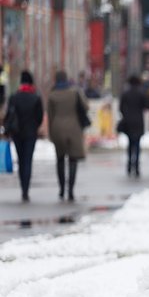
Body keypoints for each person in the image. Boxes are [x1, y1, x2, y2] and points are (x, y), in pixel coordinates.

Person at [47, 70, 88, 202]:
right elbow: (86, 107)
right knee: (73, 159)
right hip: (74, 129)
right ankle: (70, 190)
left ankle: (61, 189)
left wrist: (50, 132)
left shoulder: (52, 95)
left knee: (60, 159)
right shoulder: (74, 93)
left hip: (57, 128)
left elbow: (50, 115)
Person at [3, 70, 44, 201]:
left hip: (17, 134)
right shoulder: (35, 98)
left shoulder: (14, 97)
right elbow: (39, 117)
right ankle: (26, 189)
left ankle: (23, 187)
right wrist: (34, 127)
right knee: (28, 160)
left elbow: (8, 116)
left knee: (21, 160)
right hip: (30, 134)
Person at [118, 75, 147, 177]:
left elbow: (120, 107)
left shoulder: (125, 93)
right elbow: (146, 105)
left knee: (130, 144)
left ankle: (130, 164)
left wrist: (126, 115)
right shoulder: (141, 93)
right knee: (138, 144)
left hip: (128, 121)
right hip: (138, 121)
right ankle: (137, 166)